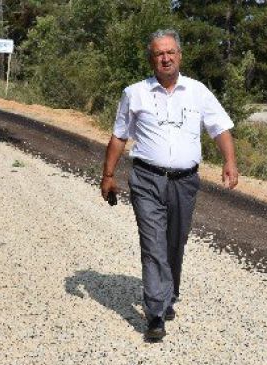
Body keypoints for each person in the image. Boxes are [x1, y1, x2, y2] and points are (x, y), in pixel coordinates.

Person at [100, 29, 239, 341]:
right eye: (159, 53)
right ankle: (155, 313)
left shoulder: (198, 92)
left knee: (175, 242)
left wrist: (229, 161)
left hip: (185, 182)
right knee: (153, 245)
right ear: (152, 59)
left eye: (170, 52)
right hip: (146, 179)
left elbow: (219, 128)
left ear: (180, 56)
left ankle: (169, 294)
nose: (165, 58)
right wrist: (108, 175)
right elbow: (119, 136)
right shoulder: (134, 93)